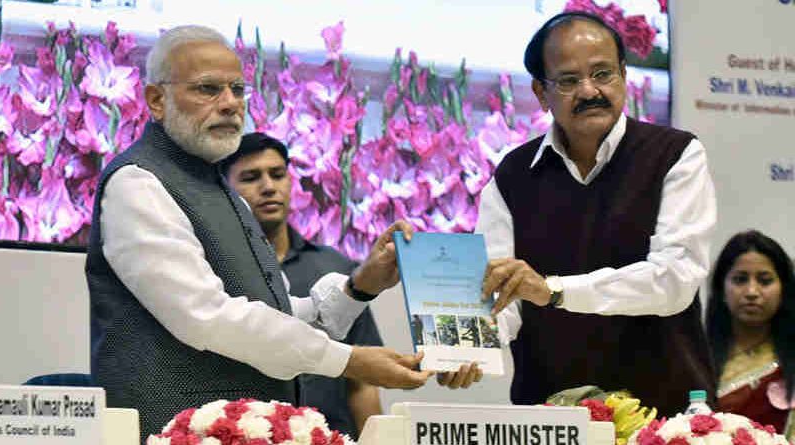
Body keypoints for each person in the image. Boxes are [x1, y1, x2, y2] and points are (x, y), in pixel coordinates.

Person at [86, 25, 475, 440]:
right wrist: (348, 360)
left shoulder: (224, 194)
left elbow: (276, 314)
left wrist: (360, 286)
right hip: (170, 432)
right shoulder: (137, 183)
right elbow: (206, 317)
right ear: (156, 100)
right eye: (208, 89)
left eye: (237, 89)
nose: (230, 104)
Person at [476, 11, 717, 416]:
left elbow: (674, 280)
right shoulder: (513, 177)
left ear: (624, 75)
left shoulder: (674, 155)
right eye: (569, 81)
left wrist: (553, 291)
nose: (589, 91)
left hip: (664, 419)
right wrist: (467, 349)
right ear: (540, 92)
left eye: (603, 74)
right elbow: (499, 298)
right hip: (551, 417)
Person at [220, 133, 384, 439]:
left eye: (278, 174)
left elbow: (362, 379)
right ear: (226, 191)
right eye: (251, 177)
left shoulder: (337, 269)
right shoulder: (217, 274)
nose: (268, 187)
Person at [706, 230, 795, 440]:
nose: (752, 292)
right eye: (740, 280)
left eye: (764, 281)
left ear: (784, 289)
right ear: (721, 288)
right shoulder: (698, 358)